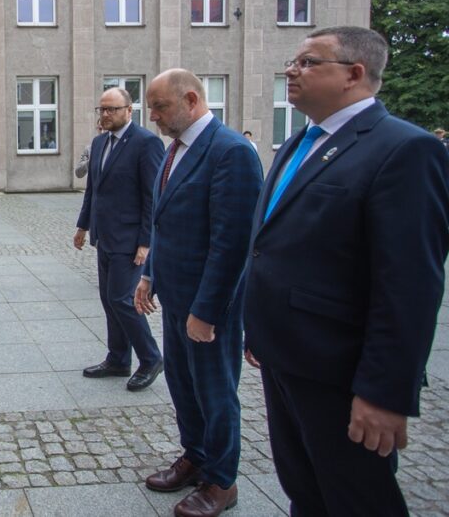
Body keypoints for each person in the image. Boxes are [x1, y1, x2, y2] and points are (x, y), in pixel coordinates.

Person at [243, 27, 449, 516]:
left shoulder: (404, 149)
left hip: (341, 370)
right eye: (294, 62)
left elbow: (409, 284)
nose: (292, 71)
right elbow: (275, 245)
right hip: (285, 356)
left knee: (356, 499)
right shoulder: (299, 143)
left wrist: (383, 391)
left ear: (354, 74)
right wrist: (260, 329)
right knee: (305, 489)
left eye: (309, 62)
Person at [134, 70, 263, 517]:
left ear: (191, 99)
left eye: (160, 106)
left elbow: (232, 244)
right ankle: (195, 456)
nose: (152, 116)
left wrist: (206, 312)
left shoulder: (231, 152)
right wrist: (149, 275)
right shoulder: (176, 151)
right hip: (175, 295)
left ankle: (221, 481)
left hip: (210, 307)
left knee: (215, 391)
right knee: (183, 385)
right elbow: (163, 222)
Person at [74, 87, 164, 391]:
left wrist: (145, 242)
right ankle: (118, 359)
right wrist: (83, 226)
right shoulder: (99, 143)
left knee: (122, 300)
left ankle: (151, 358)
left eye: (111, 109)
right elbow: (93, 190)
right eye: (101, 109)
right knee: (108, 300)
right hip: (105, 236)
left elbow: (152, 196)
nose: (105, 115)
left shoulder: (146, 143)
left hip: (130, 239)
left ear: (129, 110)